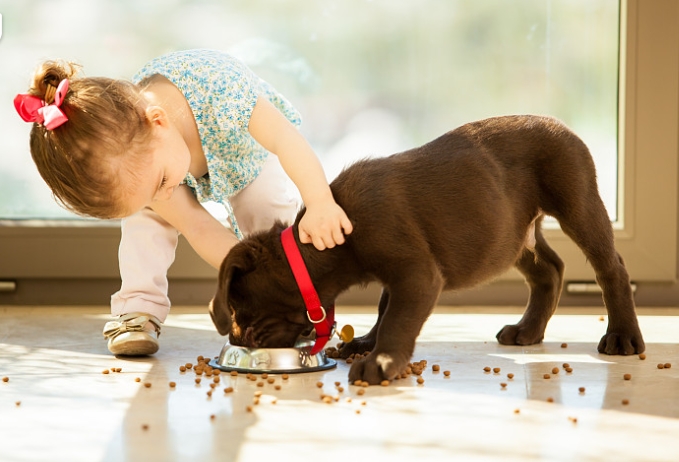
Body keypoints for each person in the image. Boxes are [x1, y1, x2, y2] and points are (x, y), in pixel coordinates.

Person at [14, 49, 353, 356]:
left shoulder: (222, 91)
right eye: (149, 194)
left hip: (244, 154)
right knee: (145, 223)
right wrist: (242, 277)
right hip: (166, 161)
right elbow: (196, 224)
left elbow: (285, 139)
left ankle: (290, 305)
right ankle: (137, 308)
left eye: (160, 184)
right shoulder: (145, 164)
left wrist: (320, 201)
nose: (163, 196)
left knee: (266, 206)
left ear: (158, 121)